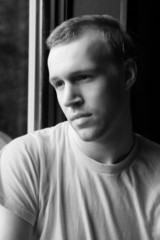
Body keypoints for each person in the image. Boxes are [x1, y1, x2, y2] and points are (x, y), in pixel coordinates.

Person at [0, 14, 160, 240]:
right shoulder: (27, 159)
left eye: (84, 77)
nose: (68, 98)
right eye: (59, 84)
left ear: (127, 75)